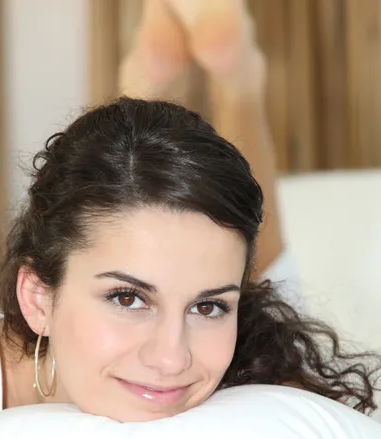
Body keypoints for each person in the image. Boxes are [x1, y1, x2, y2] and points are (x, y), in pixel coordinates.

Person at [0, 96, 379, 439]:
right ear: (39, 298)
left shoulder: (251, 380)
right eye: (127, 298)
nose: (172, 357)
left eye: (208, 306)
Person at [119, 0, 302, 305]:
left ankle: (148, 86)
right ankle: (236, 84)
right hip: (254, 339)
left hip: (120, 321)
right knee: (266, 301)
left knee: (115, 266)